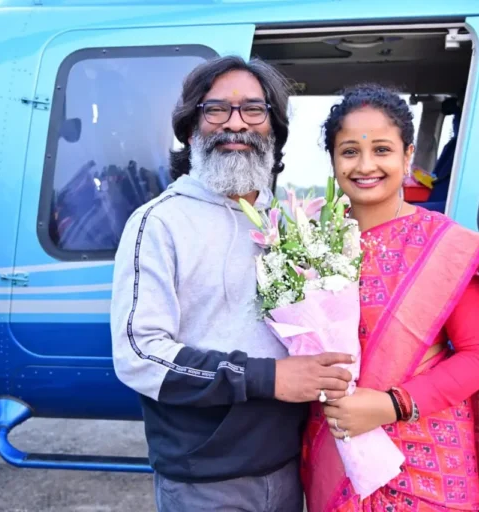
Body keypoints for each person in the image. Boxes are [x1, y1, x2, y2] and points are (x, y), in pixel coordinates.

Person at [110, 55, 355, 512]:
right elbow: (139, 354)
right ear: (189, 129)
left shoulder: (289, 222)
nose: (236, 124)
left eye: (253, 110)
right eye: (217, 109)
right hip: (206, 479)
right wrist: (268, 377)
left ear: (274, 130)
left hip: (287, 466)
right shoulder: (159, 223)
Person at [300, 84, 479, 511]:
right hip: (340, 445)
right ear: (333, 160)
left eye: (382, 150)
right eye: (349, 151)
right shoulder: (311, 245)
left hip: (426, 457)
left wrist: (390, 405)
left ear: (408, 157)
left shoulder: (444, 246)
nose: (365, 165)